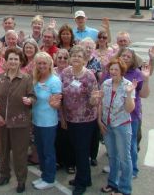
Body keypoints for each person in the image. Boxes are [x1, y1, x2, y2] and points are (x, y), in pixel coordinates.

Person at [0, 48, 35, 193]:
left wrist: (29, 100)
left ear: (20, 61)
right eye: (11, 59)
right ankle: (4, 175)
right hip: (2, 122)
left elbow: (33, 96)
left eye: (16, 59)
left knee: (19, 154)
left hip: (20, 123)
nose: (13, 62)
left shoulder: (26, 78)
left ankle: (21, 180)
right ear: (6, 60)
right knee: (3, 152)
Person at [60, 45, 100, 195]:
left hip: (85, 120)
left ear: (85, 60)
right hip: (70, 118)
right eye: (74, 55)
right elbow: (61, 96)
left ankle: (81, 183)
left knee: (82, 151)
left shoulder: (89, 75)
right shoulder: (65, 73)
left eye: (80, 56)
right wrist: (62, 117)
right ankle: (85, 178)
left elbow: (93, 99)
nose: (76, 58)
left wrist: (94, 100)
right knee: (76, 150)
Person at [99, 57, 136, 195]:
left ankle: (125, 189)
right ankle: (112, 183)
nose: (113, 72)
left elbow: (129, 109)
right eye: (111, 69)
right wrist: (99, 121)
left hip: (122, 125)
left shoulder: (128, 85)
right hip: (107, 125)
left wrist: (128, 93)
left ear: (122, 71)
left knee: (124, 158)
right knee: (112, 156)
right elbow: (101, 103)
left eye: (116, 69)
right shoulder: (106, 84)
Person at [117, 47, 151, 180]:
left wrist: (146, 79)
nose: (125, 58)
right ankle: (119, 166)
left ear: (133, 60)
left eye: (128, 56)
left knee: (130, 144)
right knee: (117, 143)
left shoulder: (137, 73)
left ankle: (132, 170)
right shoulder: (114, 70)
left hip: (132, 115)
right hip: (115, 115)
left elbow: (144, 94)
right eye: (123, 55)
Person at [31, 52, 62, 190]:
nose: (42, 66)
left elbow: (58, 105)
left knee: (48, 151)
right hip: (37, 121)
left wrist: (53, 103)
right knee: (41, 150)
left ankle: (50, 178)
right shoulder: (36, 79)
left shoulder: (54, 81)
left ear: (50, 64)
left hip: (48, 122)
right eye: (39, 63)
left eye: (44, 63)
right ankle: (44, 175)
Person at [81, 38, 103, 166]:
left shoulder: (96, 62)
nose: (88, 49)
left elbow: (100, 80)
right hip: (80, 101)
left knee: (93, 130)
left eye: (90, 47)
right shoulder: (78, 61)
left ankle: (93, 156)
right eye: (86, 46)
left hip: (93, 99)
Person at [54, 48, 75, 174]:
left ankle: (70, 163)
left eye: (65, 58)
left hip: (70, 112)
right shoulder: (52, 72)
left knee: (69, 139)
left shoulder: (72, 73)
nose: (62, 60)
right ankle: (59, 161)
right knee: (58, 139)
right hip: (55, 112)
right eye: (60, 57)